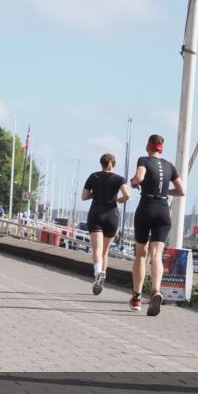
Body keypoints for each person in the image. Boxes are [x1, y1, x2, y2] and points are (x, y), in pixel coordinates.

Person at [129, 134, 185, 316]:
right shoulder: (170, 166)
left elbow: (138, 178)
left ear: (148, 147)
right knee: (157, 255)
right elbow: (181, 190)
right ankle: (156, 291)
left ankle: (136, 297)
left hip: (146, 207)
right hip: (163, 210)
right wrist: (164, 190)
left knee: (140, 254)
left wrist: (134, 182)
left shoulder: (143, 160)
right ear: (162, 148)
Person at [82, 153, 130, 295]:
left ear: (101, 163)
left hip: (96, 213)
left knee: (97, 249)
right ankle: (103, 272)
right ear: (113, 164)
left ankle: (97, 273)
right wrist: (120, 200)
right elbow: (127, 195)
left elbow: (84, 196)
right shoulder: (119, 179)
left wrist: (95, 193)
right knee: (105, 251)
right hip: (112, 215)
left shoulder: (93, 176)